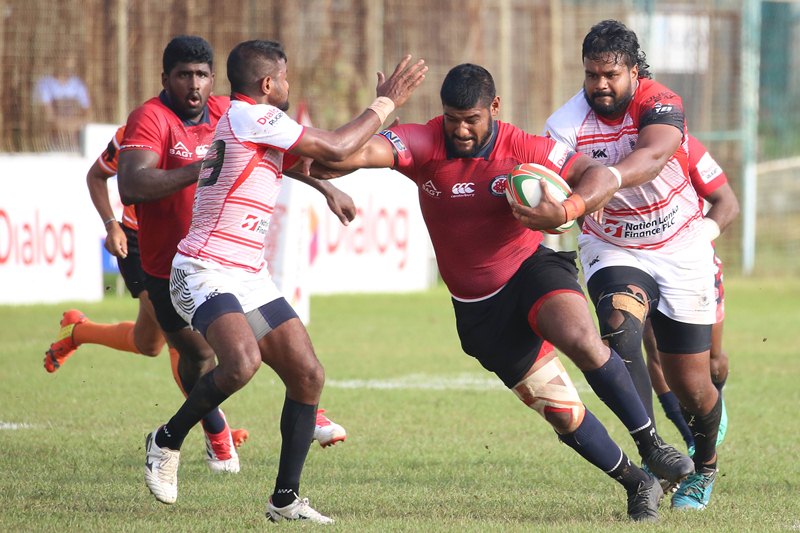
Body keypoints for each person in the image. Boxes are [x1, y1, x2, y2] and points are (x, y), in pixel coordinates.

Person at [308, 63, 695, 522]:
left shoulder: (523, 147)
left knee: (583, 338)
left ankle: (652, 445)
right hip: (479, 313)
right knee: (563, 413)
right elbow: (336, 157)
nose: (461, 130)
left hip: (532, 270)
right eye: (452, 119)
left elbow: (593, 171)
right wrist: (384, 106)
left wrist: (567, 207)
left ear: (494, 108)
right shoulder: (423, 143)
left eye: (471, 119)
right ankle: (637, 482)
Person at [140, 39, 427, 524]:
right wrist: (385, 103)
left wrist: (374, 136)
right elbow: (334, 144)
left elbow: (329, 158)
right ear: (268, 83)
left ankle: (284, 498)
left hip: (247, 275)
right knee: (241, 363)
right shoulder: (254, 115)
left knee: (308, 375)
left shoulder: (253, 124)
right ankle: (165, 441)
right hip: (203, 270)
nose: (290, 86)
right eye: (287, 77)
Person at [43, 124, 350, 449]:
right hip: (142, 244)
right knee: (196, 343)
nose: (194, 86)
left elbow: (275, 156)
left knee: (149, 342)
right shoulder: (136, 131)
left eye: (201, 76)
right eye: (184, 75)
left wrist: (325, 188)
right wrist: (111, 224)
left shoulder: (222, 123)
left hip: (196, 244)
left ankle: (77, 330)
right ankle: (219, 433)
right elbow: (97, 175)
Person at [536, 20, 723, 510]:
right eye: (591, 74)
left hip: (681, 246)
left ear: (634, 72)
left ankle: (704, 467)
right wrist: (569, 195)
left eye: (610, 75)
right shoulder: (564, 124)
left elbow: (655, 153)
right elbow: (551, 180)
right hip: (614, 246)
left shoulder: (660, 101)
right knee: (619, 331)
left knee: (694, 388)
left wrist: (604, 180)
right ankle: (655, 449)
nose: (599, 85)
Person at [642, 134, 738, 455]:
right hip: (641, 263)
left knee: (711, 361)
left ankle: (715, 396)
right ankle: (689, 437)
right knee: (654, 347)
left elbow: (728, 202)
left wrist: (698, 240)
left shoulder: (684, 144)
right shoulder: (609, 147)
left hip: (692, 268)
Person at [33, 56, 90, 151]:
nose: (67, 67)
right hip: (52, 141)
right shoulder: (45, 84)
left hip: (73, 141)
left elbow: (88, 114)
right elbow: (48, 116)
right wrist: (68, 125)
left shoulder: (78, 84)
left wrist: (75, 123)